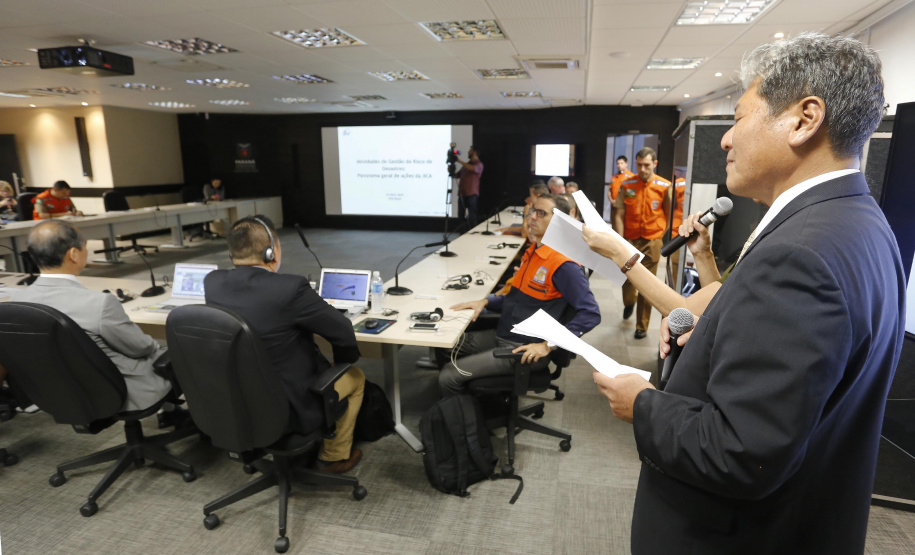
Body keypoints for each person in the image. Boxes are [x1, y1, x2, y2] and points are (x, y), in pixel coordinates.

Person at [593, 33, 906, 554]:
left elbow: (740, 452)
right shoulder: (860, 223)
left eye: (739, 117)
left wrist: (642, 404)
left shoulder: (800, 255)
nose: (725, 138)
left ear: (805, 119)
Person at [205, 216, 366, 474]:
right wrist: (342, 362)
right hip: (291, 404)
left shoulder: (212, 283)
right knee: (355, 377)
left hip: (238, 398)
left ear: (232, 252)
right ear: (272, 251)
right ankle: (332, 457)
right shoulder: (290, 288)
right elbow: (343, 330)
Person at [439, 194, 600, 395]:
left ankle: (468, 423)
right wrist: (485, 301)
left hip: (523, 350)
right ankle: (482, 404)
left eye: (541, 213)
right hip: (505, 334)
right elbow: (518, 299)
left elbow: (591, 314)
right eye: (533, 211)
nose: (532, 217)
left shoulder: (563, 265)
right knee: (446, 345)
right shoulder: (535, 252)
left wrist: (548, 346)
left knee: (448, 375)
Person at [11, 221, 177, 415]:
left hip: (68, 393)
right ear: (73, 254)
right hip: (125, 393)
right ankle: (188, 420)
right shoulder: (99, 303)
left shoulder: (18, 302)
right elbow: (141, 348)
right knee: (172, 349)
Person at [582, 210, 722, 317]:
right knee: (631, 285)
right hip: (633, 236)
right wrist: (702, 253)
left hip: (651, 238)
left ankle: (641, 326)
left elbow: (685, 311)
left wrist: (618, 253)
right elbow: (717, 300)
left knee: (647, 289)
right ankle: (630, 303)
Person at [613, 147, 671, 339]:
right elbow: (619, 213)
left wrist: (659, 234)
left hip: (652, 241)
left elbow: (669, 214)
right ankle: (629, 302)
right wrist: (621, 239)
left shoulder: (664, 186)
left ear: (654, 164)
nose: (642, 169)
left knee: (648, 286)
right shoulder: (627, 184)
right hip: (630, 241)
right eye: (639, 165)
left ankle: (642, 326)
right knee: (628, 280)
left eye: (646, 165)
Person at [455, 146, 483, 225]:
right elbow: (457, 175)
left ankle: (473, 235)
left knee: (472, 216)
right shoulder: (466, 165)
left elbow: (473, 169)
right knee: (461, 216)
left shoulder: (479, 164)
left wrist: (459, 161)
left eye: (470, 150)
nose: (468, 152)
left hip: (472, 195)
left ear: (474, 152)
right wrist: (451, 170)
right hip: (462, 194)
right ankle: (462, 234)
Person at [607, 155, 635, 225]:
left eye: (621, 163)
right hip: (613, 205)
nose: (619, 165)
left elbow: (631, 194)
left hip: (624, 208)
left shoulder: (631, 177)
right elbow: (609, 191)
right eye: (618, 163)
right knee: (614, 226)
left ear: (626, 164)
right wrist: (611, 200)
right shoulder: (614, 178)